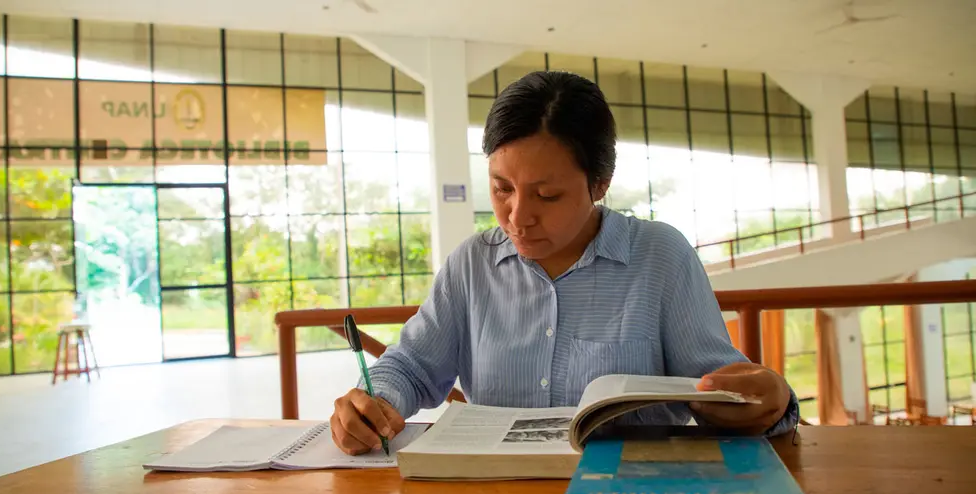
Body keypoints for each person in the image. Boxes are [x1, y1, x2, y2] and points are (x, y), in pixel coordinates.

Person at [331, 70, 799, 455]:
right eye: (501, 188)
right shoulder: (472, 266)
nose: (518, 216)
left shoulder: (660, 258)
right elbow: (412, 366)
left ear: (600, 183)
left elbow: (720, 387)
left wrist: (766, 402)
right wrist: (375, 402)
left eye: (547, 195)